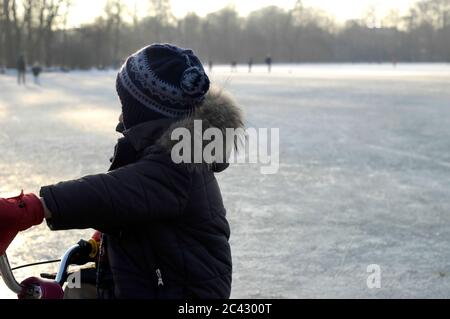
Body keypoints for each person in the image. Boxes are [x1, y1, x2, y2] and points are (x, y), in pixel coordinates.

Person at [0, 43, 244, 299]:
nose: (120, 115)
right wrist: (100, 240)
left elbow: (111, 192)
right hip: (153, 281)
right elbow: (134, 204)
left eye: (125, 104)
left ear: (144, 111)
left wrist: (33, 207)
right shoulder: (165, 154)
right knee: (80, 287)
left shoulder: (178, 165)